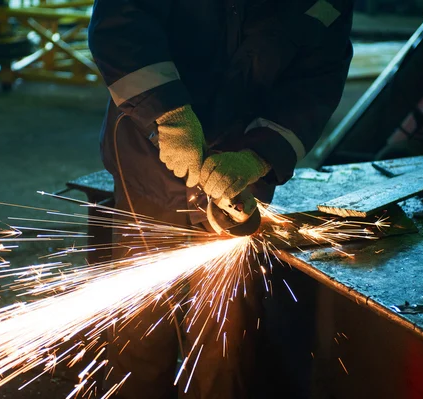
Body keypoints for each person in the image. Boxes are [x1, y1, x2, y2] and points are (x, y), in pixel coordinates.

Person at [88, 1, 353, 397]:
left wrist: (260, 154)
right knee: (141, 324)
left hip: (239, 169)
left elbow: (318, 76)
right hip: (148, 152)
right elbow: (121, 19)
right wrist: (167, 113)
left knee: (226, 334)